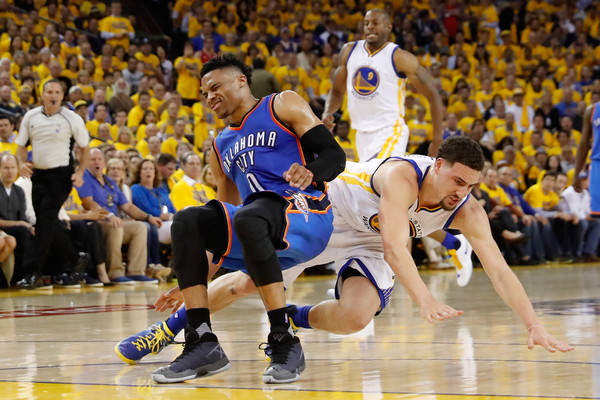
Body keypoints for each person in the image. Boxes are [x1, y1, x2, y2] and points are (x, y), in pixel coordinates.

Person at [116, 137, 573, 367]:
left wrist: (533, 324)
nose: (461, 193)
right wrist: (425, 299)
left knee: (356, 318)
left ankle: (291, 317)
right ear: (436, 165)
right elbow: (397, 247)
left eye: (471, 186)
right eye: (456, 181)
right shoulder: (402, 177)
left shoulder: (468, 211)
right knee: (246, 281)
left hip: (371, 240)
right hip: (329, 213)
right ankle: (170, 329)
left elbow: (499, 269)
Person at [149, 55, 346, 385]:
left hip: (307, 215)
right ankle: (202, 343)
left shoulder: (280, 105)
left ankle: (284, 339)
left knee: (251, 215)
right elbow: (224, 221)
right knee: (188, 220)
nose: (209, 97)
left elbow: (334, 155)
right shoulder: (219, 143)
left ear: (241, 81)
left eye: (215, 87)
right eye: (204, 93)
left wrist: (310, 170)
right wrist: (192, 280)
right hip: (256, 226)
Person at [322, 9, 443, 161]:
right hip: (360, 134)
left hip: (390, 132)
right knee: (368, 183)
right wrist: (328, 112)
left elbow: (433, 96)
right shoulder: (349, 51)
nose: (370, 27)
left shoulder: (400, 58)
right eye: (366, 24)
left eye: (375, 23)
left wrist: (437, 139)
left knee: (379, 174)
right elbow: (337, 91)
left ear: (388, 27)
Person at [15, 79, 91, 290]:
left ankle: (32, 273)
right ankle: (76, 257)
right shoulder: (31, 116)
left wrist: (80, 172)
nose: (53, 95)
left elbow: (85, 148)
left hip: (61, 176)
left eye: (57, 92)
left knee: (45, 220)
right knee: (46, 225)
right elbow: (21, 146)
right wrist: (22, 163)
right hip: (38, 176)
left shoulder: (71, 118)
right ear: (43, 94)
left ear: (62, 95)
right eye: (50, 91)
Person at [77, 148, 163, 284]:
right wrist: (110, 215)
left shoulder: (109, 182)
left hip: (113, 221)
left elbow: (127, 206)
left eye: (99, 159)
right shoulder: (85, 178)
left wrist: (148, 217)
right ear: (87, 162)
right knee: (116, 227)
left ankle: (136, 271)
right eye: (93, 160)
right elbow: (87, 202)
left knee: (140, 227)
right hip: (95, 223)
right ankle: (115, 272)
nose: (96, 162)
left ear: (104, 162)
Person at [574, 101, 600, 218]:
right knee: (597, 215)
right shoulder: (592, 110)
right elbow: (584, 144)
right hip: (597, 166)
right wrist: (576, 175)